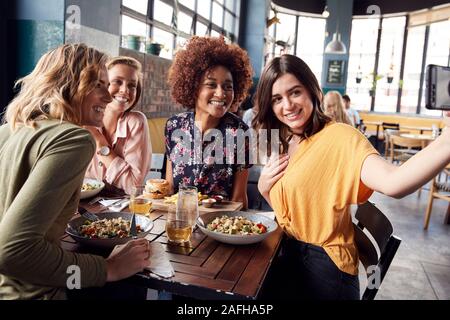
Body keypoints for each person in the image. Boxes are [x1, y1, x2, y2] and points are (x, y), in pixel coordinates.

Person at [254, 54, 450, 300]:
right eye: (277, 99)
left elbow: (394, 183)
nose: (288, 105)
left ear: (312, 90)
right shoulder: (287, 139)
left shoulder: (341, 137)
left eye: (295, 92)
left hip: (324, 270)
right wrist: (264, 189)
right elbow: (294, 215)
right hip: (290, 253)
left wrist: (447, 139)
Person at [0, 44, 150, 300]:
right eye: (98, 85)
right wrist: (108, 270)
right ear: (68, 85)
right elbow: (12, 251)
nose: (109, 96)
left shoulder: (9, 130)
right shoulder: (75, 138)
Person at [165, 36, 253, 208]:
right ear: (193, 86)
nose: (221, 94)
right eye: (211, 85)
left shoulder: (240, 132)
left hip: (218, 225)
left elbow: (238, 200)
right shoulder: (174, 126)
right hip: (178, 221)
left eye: (228, 86)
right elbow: (169, 188)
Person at [85, 56, 151, 195]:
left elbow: (134, 187)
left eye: (132, 85)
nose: (125, 90)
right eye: (117, 82)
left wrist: (99, 140)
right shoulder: (83, 120)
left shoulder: (136, 122)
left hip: (122, 210)